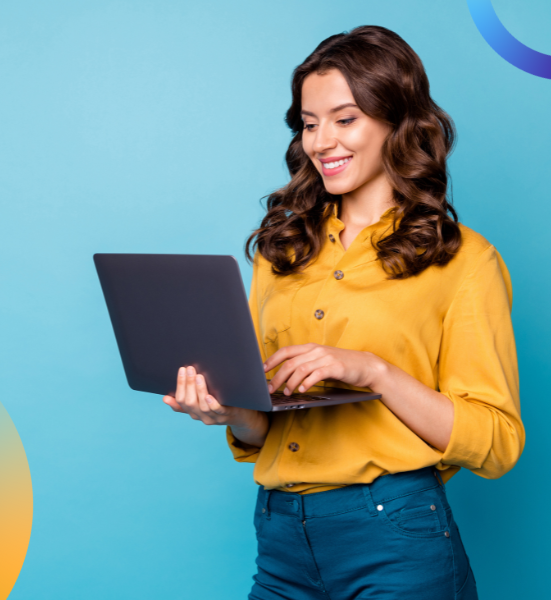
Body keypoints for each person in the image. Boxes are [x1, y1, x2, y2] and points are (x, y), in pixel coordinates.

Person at [162, 25, 524, 600]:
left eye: (345, 119)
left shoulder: (463, 260)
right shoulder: (280, 252)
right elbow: (265, 425)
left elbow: (498, 442)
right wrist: (229, 408)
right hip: (281, 539)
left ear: (396, 121)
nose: (321, 141)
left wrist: (375, 372)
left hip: (397, 539)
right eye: (309, 124)